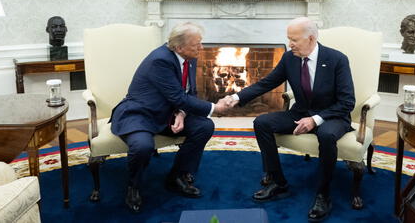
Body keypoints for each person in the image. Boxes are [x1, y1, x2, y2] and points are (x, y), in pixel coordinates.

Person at [224, 17, 355, 222]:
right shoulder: (289, 58)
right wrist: (236, 97)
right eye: (288, 39)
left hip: (332, 115)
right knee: (262, 123)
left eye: (294, 39)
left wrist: (315, 120)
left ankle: (323, 195)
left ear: (311, 38)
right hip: (300, 112)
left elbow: (347, 102)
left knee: (327, 135)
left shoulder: (337, 59)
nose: (290, 43)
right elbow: (267, 83)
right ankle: (278, 182)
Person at [109, 22, 232, 213]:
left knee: (204, 127)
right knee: (143, 146)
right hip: (141, 114)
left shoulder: (189, 57)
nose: (201, 48)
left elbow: (189, 93)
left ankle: (177, 176)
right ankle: (133, 186)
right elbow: (178, 96)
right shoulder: (160, 60)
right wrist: (215, 107)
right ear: (179, 47)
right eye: (196, 45)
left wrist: (181, 113)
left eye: (200, 43)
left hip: (168, 112)